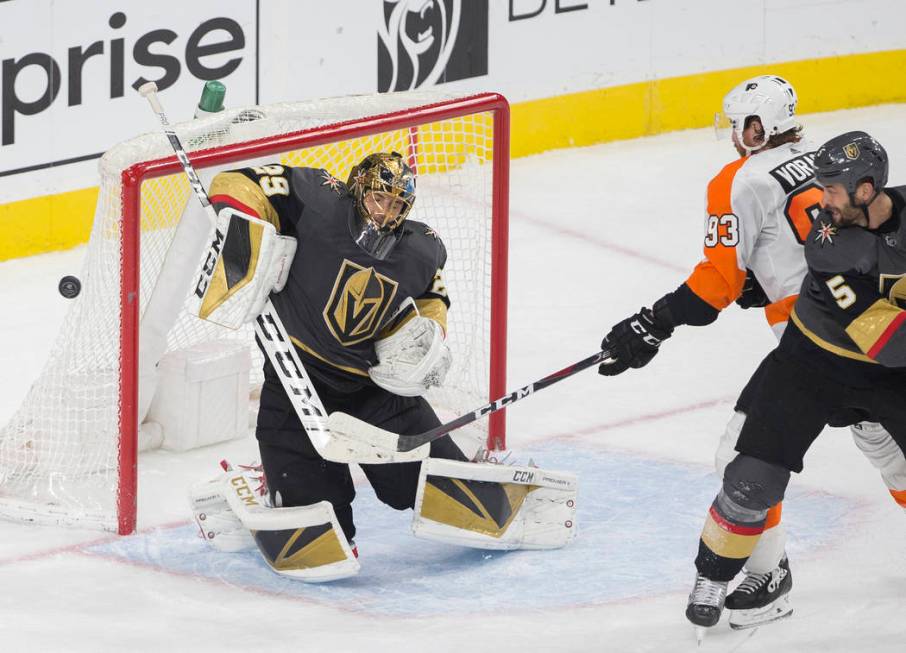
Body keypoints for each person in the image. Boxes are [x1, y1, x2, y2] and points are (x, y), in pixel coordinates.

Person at [597, 76, 906, 629]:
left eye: (740, 126)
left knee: (741, 458)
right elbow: (803, 247)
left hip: (815, 342)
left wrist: (654, 322)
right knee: (885, 447)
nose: (735, 138)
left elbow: (716, 283)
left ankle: (769, 578)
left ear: (756, 127)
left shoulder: (740, 179)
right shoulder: (824, 163)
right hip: (873, 347)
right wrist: (759, 280)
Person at [189, 152, 577, 582]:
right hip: (296, 385)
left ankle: (473, 469)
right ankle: (270, 485)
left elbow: (432, 296)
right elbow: (237, 180)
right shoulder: (315, 197)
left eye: (396, 206)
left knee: (450, 495)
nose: (385, 213)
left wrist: (425, 335)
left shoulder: (421, 247)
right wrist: (244, 232)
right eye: (378, 199)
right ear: (357, 190)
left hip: (375, 391)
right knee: (316, 545)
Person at [684, 130, 906, 633]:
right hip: (813, 363)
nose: (821, 201)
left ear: (867, 190)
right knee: (750, 480)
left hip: (891, 380)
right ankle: (713, 578)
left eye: (831, 190)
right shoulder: (829, 247)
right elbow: (889, 343)